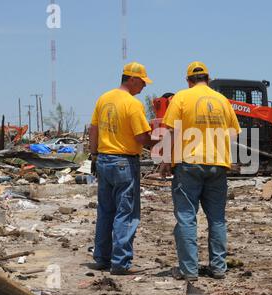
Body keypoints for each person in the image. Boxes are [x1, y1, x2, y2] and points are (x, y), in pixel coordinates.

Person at [160, 61, 241, 281]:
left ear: (188, 80)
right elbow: (234, 134)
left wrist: (166, 159)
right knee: (217, 219)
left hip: (188, 164)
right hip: (218, 165)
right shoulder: (222, 100)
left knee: (187, 218)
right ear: (208, 78)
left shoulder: (181, 97)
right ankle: (218, 269)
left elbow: (170, 131)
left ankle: (189, 271)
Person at [89, 62, 155, 275]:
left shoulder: (104, 98)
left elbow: (93, 129)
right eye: (142, 82)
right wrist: (159, 142)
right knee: (125, 213)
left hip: (104, 160)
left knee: (105, 211)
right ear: (132, 79)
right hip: (124, 163)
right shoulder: (133, 104)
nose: (144, 87)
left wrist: (94, 155)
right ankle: (120, 263)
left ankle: (101, 258)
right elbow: (141, 137)